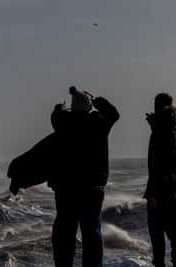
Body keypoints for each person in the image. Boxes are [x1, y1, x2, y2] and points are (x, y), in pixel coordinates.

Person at [48, 86, 119, 267]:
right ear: (89, 107)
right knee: (92, 232)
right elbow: (114, 114)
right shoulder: (100, 123)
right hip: (93, 187)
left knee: (65, 232)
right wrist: (96, 100)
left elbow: (56, 115)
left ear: (73, 108)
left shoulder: (62, 122)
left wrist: (60, 108)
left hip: (66, 188)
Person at [144, 92, 176, 267]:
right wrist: (155, 126)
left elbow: (158, 164)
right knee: (175, 234)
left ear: (157, 105)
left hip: (161, 189)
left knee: (157, 233)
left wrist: (152, 193)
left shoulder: (162, 130)